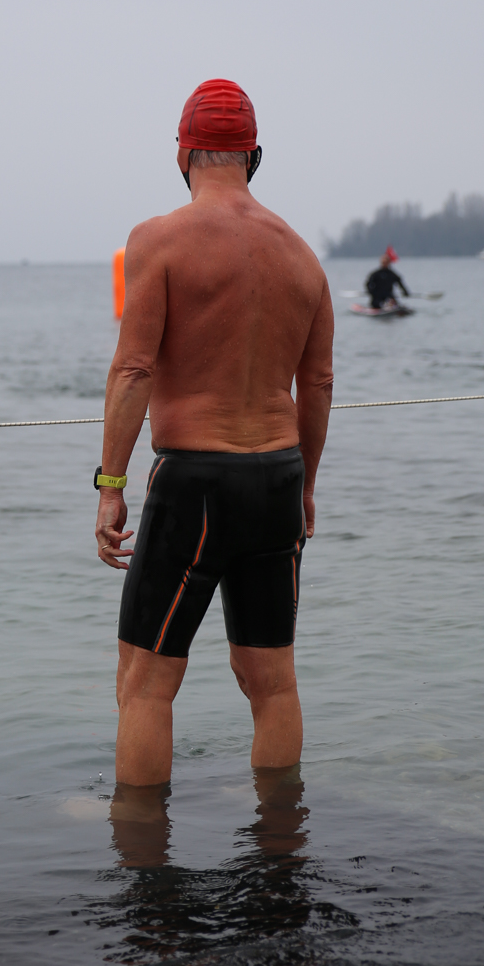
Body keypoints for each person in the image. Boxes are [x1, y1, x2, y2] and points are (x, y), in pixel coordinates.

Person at [94, 78, 334, 790]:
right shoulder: (302, 256)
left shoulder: (159, 239)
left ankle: (141, 848)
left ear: (183, 153)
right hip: (279, 477)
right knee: (272, 682)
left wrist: (110, 485)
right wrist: (307, 487)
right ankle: (279, 838)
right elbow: (318, 385)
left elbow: (134, 368)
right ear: (254, 155)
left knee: (145, 684)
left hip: (195, 482)